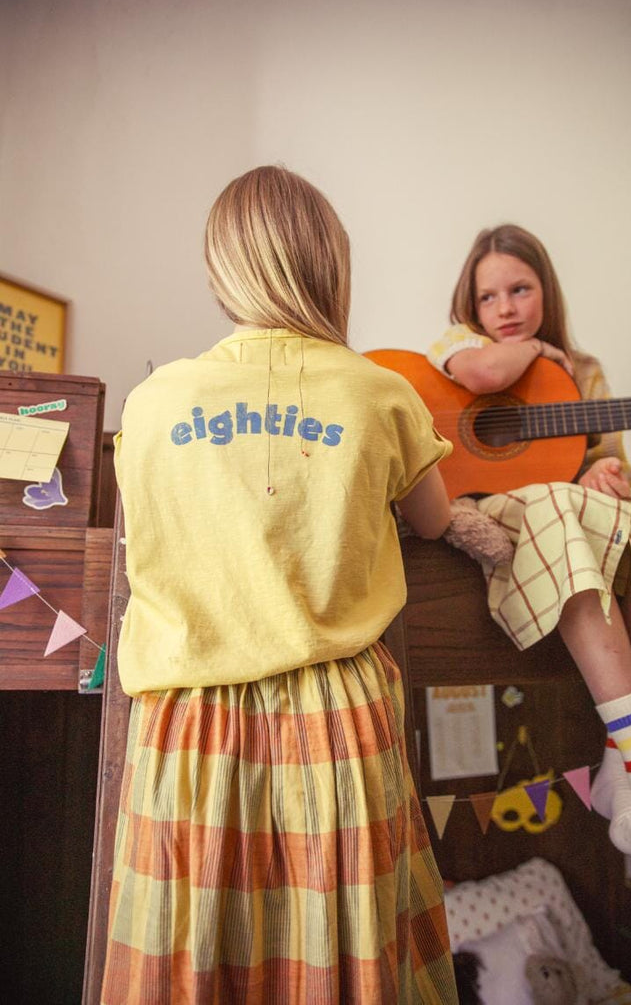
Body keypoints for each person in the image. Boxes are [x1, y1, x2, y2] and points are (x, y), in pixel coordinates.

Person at [101, 165, 460, 1004]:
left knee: (189, 965)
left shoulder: (154, 403)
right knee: (350, 966)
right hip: (337, 724)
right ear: (329, 265)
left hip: (189, 731)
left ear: (224, 269)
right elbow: (439, 522)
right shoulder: (379, 393)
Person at [427, 223, 631, 868]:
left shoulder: (585, 371)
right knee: (555, 500)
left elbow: (614, 466)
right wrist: (537, 350)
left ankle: (625, 777)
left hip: (576, 509)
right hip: (503, 508)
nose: (505, 308)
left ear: (547, 290)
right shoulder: (456, 345)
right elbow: (484, 373)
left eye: (521, 290)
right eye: (490, 296)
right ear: (471, 304)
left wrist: (605, 473)